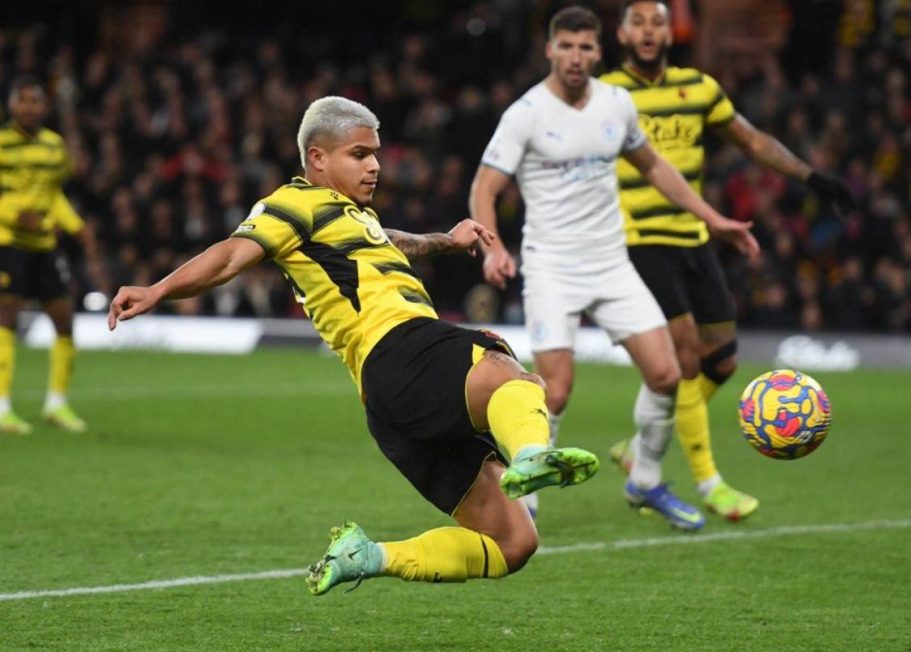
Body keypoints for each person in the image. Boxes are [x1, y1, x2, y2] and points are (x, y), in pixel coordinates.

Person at [107, 96, 600, 595]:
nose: (376, 166)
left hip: (388, 404)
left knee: (513, 541)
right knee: (501, 365)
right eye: (360, 154)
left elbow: (389, 239)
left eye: (376, 154)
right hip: (399, 348)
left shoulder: (346, 216)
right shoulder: (292, 204)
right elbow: (232, 255)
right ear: (318, 158)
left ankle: (368, 555)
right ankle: (534, 453)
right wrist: (158, 289)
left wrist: (446, 241)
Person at [469, 6, 758, 529]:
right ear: (550, 51)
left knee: (668, 374)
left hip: (611, 263)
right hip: (552, 267)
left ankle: (645, 479)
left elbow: (656, 169)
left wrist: (713, 219)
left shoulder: (616, 104)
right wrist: (492, 248)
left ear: (599, 52)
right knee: (554, 389)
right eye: (567, 47)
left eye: (585, 48)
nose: (576, 57)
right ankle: (524, 503)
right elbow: (485, 187)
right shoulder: (526, 113)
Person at [600, 0, 857, 521]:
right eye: (638, 22)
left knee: (722, 361)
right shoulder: (603, 95)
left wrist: (811, 177)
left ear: (671, 32)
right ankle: (709, 483)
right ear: (623, 34)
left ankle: (639, 445)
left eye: (657, 21)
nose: (649, 31)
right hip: (637, 238)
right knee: (686, 358)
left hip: (694, 237)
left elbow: (753, 140)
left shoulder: (698, 87)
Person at [0, 76, 95, 434]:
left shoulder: (54, 147)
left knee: (63, 319)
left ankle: (57, 404)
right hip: (7, 240)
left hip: (43, 244)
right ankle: (2, 407)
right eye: (22, 100)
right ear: (12, 105)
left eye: (35, 101)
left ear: (44, 107)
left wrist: (75, 225)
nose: (29, 107)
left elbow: (54, 195)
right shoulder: (2, 144)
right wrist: (11, 215)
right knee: (6, 316)